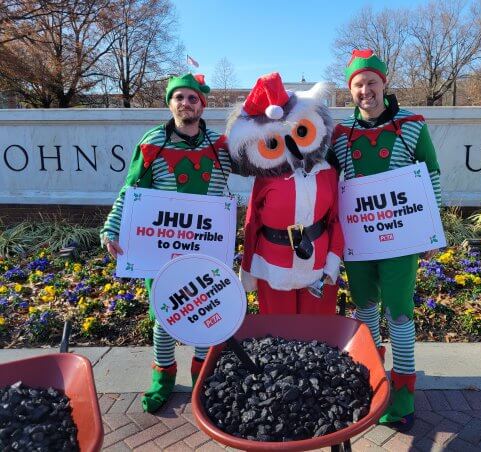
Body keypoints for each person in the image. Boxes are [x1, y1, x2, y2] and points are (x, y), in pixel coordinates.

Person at [101, 73, 232, 413]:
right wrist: (111, 229)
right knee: (164, 316)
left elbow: (259, 161)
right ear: (170, 102)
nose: (185, 104)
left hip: (207, 247)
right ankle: (163, 379)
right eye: (179, 98)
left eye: (192, 98)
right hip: (162, 249)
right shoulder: (153, 141)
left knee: (207, 313)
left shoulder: (220, 145)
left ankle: (203, 377)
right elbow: (131, 192)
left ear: (201, 105)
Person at [330, 49, 442, 432]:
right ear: (351, 90)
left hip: (400, 241)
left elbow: (432, 175)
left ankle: (403, 391)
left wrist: (430, 227)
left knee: (398, 313)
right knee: (364, 311)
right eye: (358, 85)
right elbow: (328, 182)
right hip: (359, 240)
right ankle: (372, 382)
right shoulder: (340, 134)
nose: (366, 91)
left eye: (372, 83)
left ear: (384, 84)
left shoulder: (412, 125)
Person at [226, 72, 344, 314]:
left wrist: (333, 261)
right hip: (273, 265)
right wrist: (248, 267)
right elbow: (252, 223)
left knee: (317, 334)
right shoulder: (265, 178)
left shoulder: (327, 172)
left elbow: (335, 220)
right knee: (278, 333)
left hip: (317, 263)